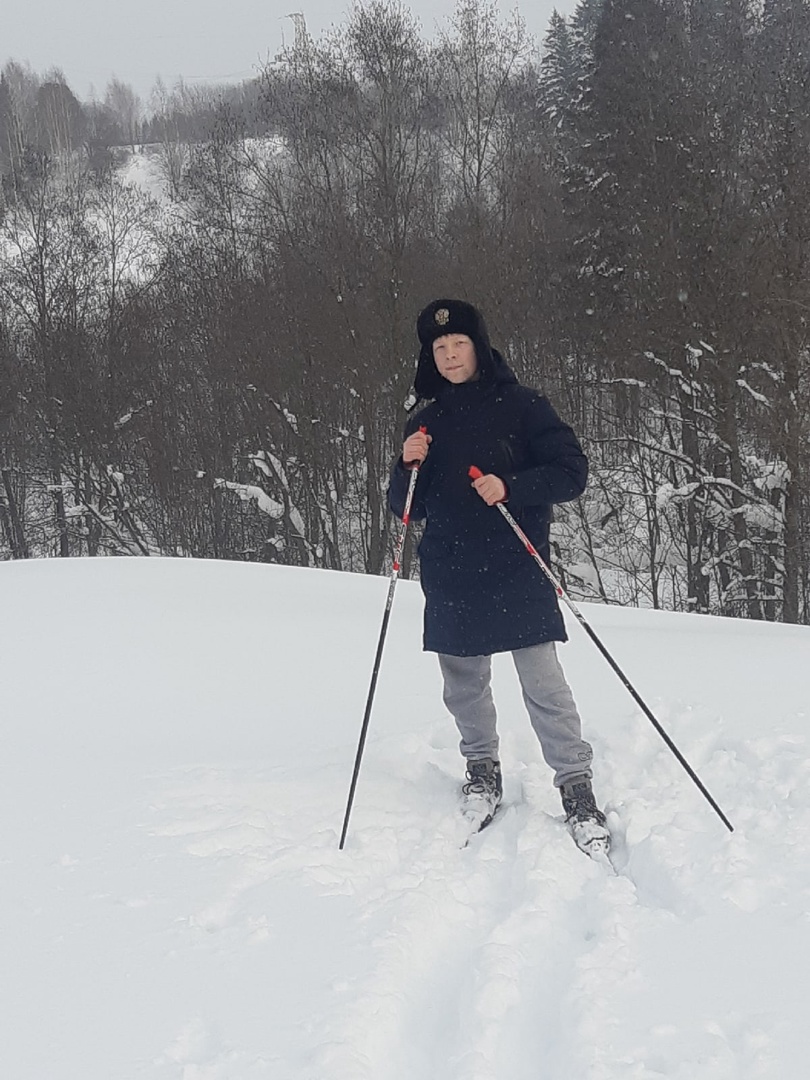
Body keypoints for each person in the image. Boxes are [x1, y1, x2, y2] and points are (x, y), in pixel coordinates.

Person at [387, 298, 610, 855]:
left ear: (478, 347)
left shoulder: (524, 406)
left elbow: (571, 473)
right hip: (451, 572)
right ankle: (482, 771)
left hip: (517, 566)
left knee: (544, 686)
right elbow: (405, 509)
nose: (448, 354)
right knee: (464, 687)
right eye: (438, 348)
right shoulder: (425, 422)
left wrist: (510, 486)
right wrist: (405, 464)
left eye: (458, 344)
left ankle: (576, 787)